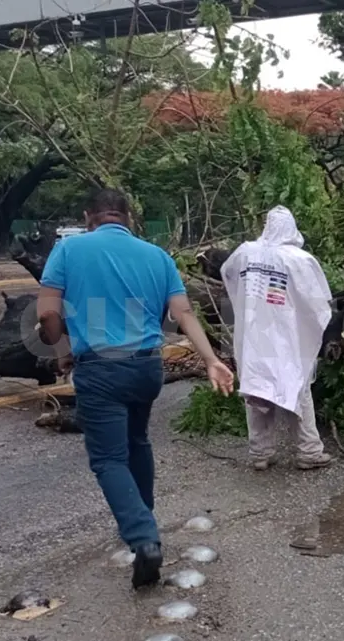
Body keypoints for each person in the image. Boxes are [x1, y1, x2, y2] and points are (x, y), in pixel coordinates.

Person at [36, 188, 234, 589]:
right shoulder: (157, 256)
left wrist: (60, 347)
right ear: (129, 218)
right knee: (137, 441)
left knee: (108, 459)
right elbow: (183, 314)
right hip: (147, 368)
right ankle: (142, 514)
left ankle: (144, 539)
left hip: (101, 369)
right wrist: (212, 359)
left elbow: (49, 314)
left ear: (88, 215)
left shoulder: (69, 251)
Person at [221, 205, 334, 472]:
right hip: (286, 336)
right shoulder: (299, 259)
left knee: (256, 389)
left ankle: (260, 453)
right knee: (298, 388)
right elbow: (319, 301)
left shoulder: (245, 253)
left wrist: (247, 303)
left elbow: (227, 274)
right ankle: (309, 451)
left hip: (253, 336)